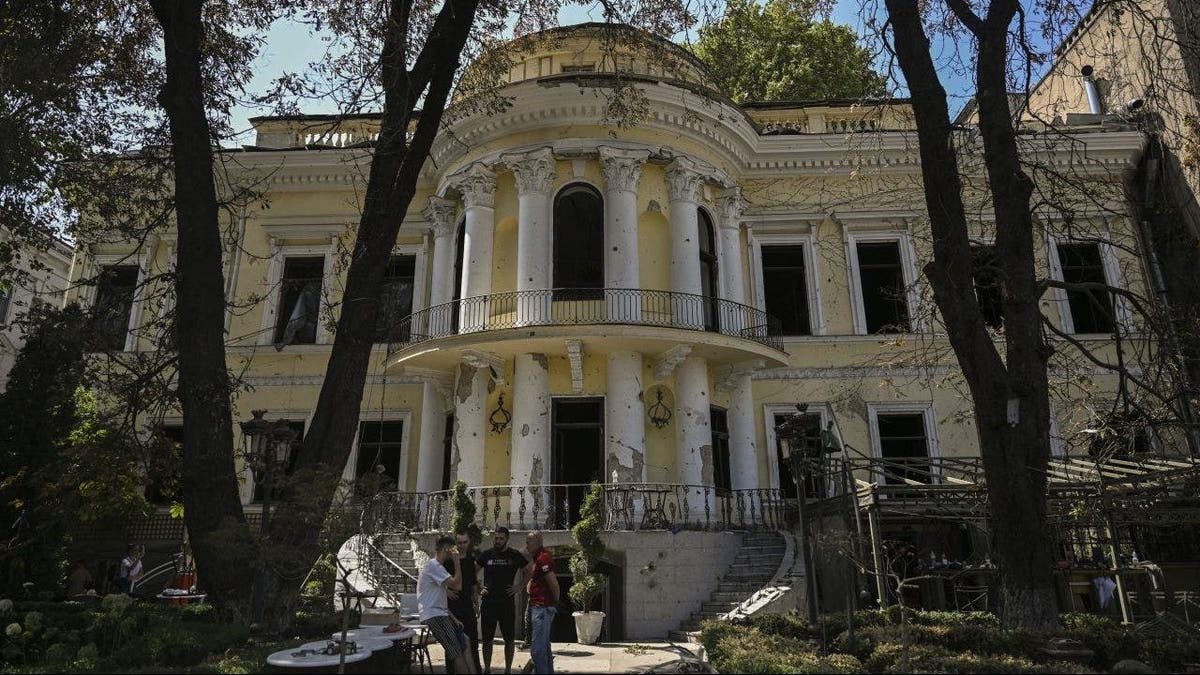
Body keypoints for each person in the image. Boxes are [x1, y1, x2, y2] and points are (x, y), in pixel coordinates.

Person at [418, 536, 477, 674]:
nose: (454, 553)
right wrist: (457, 563)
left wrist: (453, 618)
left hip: (441, 614)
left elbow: (437, 597)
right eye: (452, 550)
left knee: (465, 641)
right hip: (435, 616)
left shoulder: (436, 567)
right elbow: (458, 585)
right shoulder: (434, 566)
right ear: (446, 550)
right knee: (456, 652)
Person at [477, 527, 528, 674]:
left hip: (506, 603)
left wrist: (519, 586)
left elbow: (530, 569)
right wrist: (479, 588)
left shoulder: (514, 555)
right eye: (496, 538)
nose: (497, 541)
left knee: (509, 639)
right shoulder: (487, 555)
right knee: (487, 640)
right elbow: (472, 572)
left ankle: (507, 670)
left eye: (501, 538)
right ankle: (487, 669)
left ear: (506, 539)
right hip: (488, 603)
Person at [444, 530, 482, 673]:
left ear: (469, 542)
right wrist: (446, 591)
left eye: (465, 542)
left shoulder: (471, 560)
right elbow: (436, 581)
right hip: (453, 607)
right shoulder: (448, 560)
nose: (462, 545)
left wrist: (476, 603)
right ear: (456, 543)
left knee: (472, 642)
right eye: (459, 542)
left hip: (467, 606)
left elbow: (473, 584)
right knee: (453, 644)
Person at [525, 531, 559, 675]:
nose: (526, 545)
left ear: (538, 541)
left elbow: (554, 584)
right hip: (538, 607)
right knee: (544, 649)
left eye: (528, 542)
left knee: (537, 651)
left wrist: (552, 604)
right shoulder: (536, 558)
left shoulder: (543, 558)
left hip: (542, 608)